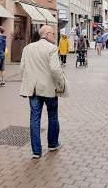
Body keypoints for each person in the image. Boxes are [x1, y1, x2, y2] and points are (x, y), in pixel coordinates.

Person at [20, 25, 64, 159]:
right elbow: (56, 70)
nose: (54, 36)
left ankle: (36, 151)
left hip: (32, 88)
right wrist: (61, 84)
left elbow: (22, 68)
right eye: (53, 34)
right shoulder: (52, 48)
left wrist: (27, 81)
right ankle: (52, 144)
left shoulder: (27, 48)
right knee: (52, 115)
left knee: (34, 118)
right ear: (47, 34)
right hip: (49, 88)